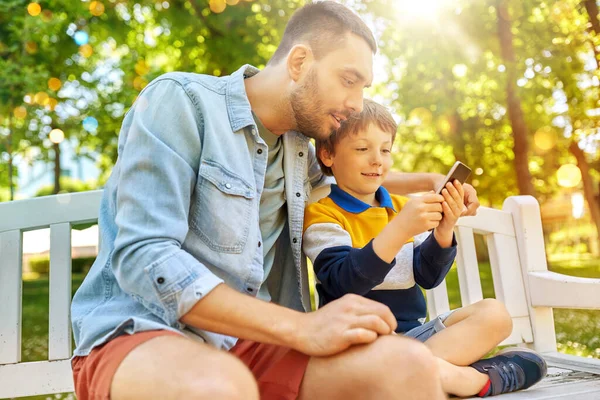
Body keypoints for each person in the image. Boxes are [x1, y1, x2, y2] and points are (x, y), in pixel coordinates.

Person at [70, 2, 483, 400]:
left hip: (254, 343)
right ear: (300, 62)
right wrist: (299, 328)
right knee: (220, 387)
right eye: (348, 79)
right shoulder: (181, 102)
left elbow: (354, 174)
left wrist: (430, 181)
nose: (357, 103)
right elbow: (144, 257)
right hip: (145, 333)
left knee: (408, 366)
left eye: (363, 87)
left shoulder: (299, 149)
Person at [302, 99, 547, 397]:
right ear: (328, 155)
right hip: (360, 345)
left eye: (385, 149)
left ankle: (421, 372)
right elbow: (344, 282)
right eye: (362, 149)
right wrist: (400, 229)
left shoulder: (403, 207)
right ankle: (473, 379)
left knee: (495, 315)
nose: (377, 160)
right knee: (385, 358)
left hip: (416, 340)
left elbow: (428, 277)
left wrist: (443, 231)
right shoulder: (324, 214)